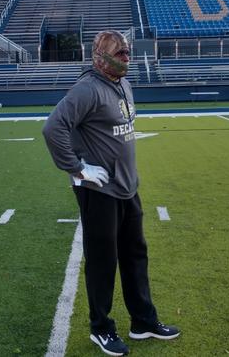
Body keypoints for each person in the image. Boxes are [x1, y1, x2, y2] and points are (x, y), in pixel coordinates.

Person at [43, 31, 180, 356]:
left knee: (135, 256)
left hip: (126, 188)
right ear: (100, 58)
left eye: (128, 52)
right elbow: (53, 128)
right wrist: (77, 169)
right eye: (121, 53)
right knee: (103, 262)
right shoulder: (87, 89)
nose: (127, 58)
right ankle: (100, 328)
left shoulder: (123, 84)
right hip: (98, 190)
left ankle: (143, 321)